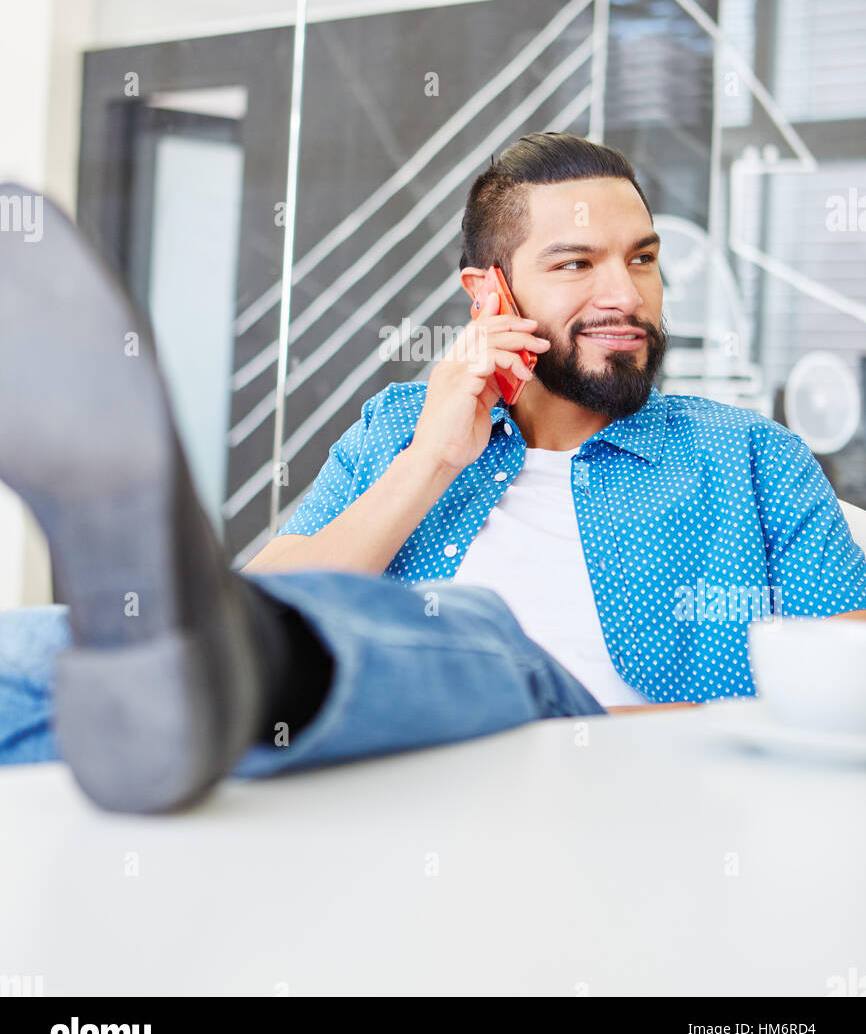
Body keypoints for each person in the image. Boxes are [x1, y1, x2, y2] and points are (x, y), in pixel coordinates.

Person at [1, 133, 863, 815]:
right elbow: (257, 611)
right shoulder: (402, 430)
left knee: (482, 635)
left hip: (610, 781)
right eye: (576, 264)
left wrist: (560, 740)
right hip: (374, 775)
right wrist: (433, 460)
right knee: (34, 656)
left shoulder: (751, 458)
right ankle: (169, 709)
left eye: (642, 258)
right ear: (489, 294)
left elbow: (851, 690)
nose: (627, 296)